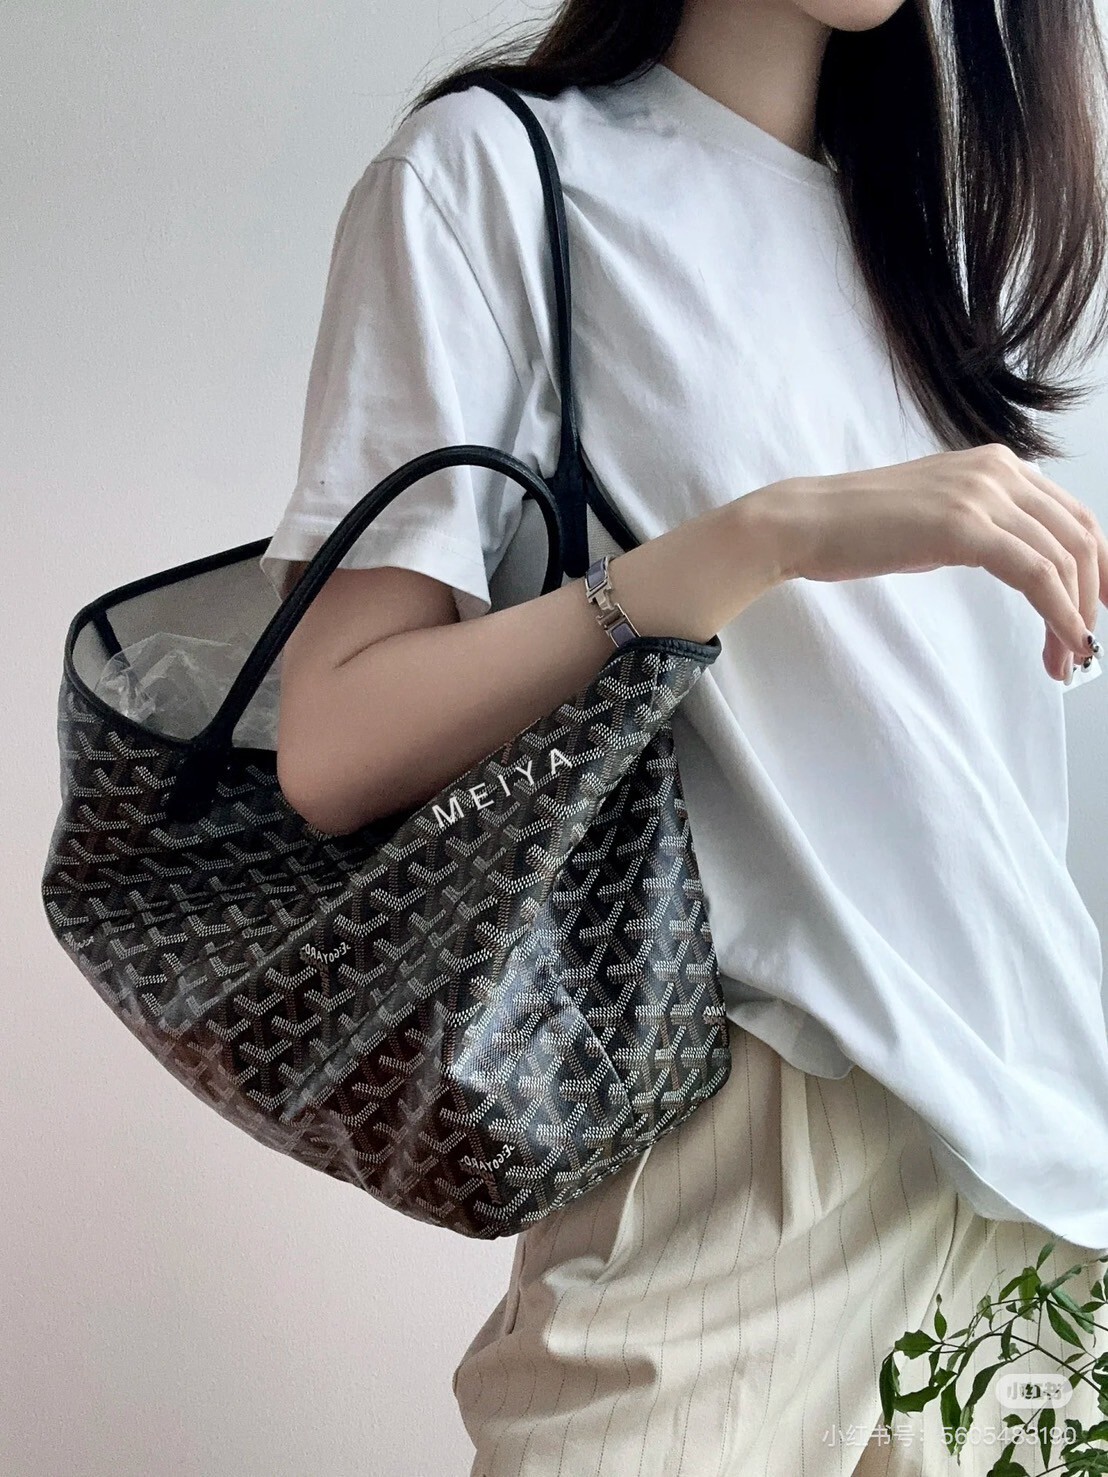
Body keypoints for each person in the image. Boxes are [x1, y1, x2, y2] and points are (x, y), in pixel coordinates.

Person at [258, 0, 1108, 1471]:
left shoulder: (942, 254)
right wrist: (765, 537)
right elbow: (333, 739)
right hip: (744, 1151)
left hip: (1045, 1198)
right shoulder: (498, 175)